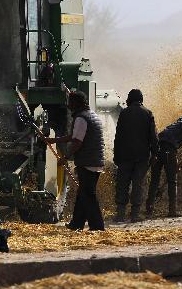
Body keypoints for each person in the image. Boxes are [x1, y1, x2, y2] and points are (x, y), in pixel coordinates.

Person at [44, 91, 105, 231]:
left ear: (76, 103)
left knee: (88, 195)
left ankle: (97, 226)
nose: (68, 105)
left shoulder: (81, 118)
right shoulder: (91, 115)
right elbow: (74, 136)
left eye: (70, 102)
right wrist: (54, 140)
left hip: (88, 161)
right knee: (83, 193)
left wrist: (65, 158)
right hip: (95, 159)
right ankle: (76, 224)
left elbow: (77, 142)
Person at [112, 89, 158, 222]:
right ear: (141, 99)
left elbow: (118, 136)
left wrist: (116, 155)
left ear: (130, 99)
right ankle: (135, 215)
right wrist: (155, 153)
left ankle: (120, 214)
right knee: (138, 184)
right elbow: (153, 137)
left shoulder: (124, 113)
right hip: (142, 157)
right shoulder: (148, 113)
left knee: (122, 184)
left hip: (124, 156)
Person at [145, 114, 182, 217]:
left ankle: (149, 210)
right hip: (168, 151)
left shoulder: (171, 126)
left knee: (154, 181)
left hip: (157, 152)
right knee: (172, 181)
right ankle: (172, 211)